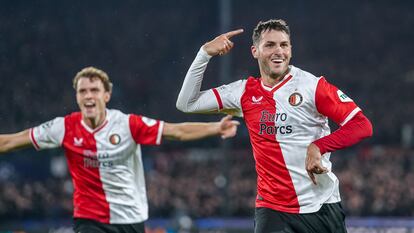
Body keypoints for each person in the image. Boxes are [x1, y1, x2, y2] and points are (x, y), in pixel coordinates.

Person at [176, 19, 373, 233]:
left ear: (290, 49)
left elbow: (361, 125)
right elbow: (187, 103)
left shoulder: (312, 86)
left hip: (320, 206)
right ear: (255, 51)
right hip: (271, 210)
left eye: (284, 45)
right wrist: (204, 53)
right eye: (270, 45)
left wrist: (319, 146)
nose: (278, 51)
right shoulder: (243, 93)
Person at [0, 66, 239, 233]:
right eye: (83, 91)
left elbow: (176, 131)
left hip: (130, 219)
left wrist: (214, 129)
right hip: (90, 219)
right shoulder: (64, 127)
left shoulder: (127, 124)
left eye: (94, 90)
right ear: (77, 97)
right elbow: (11, 141)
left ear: (107, 95)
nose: (88, 96)